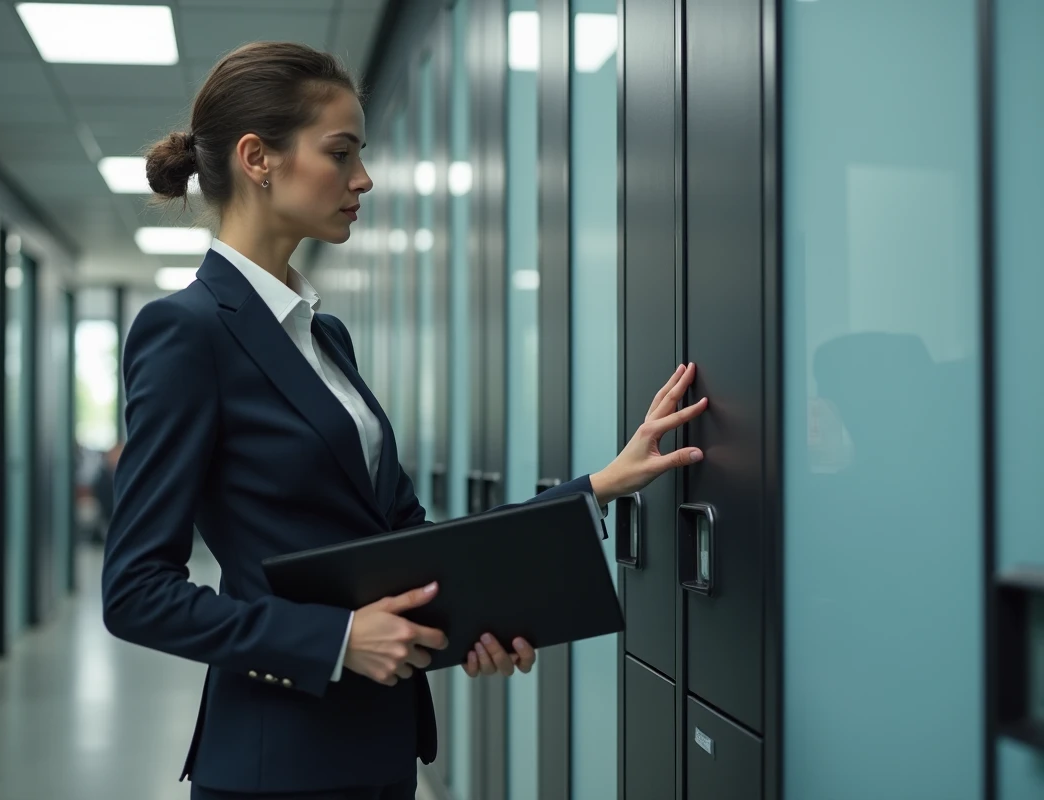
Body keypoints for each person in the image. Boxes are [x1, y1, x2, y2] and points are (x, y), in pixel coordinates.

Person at [101, 41, 708, 800]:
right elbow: (136, 592)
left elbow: (403, 546)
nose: (363, 178)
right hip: (276, 764)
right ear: (259, 158)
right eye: (341, 152)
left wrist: (596, 490)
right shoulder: (186, 331)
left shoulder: (323, 337)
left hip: (377, 747)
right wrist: (337, 640)